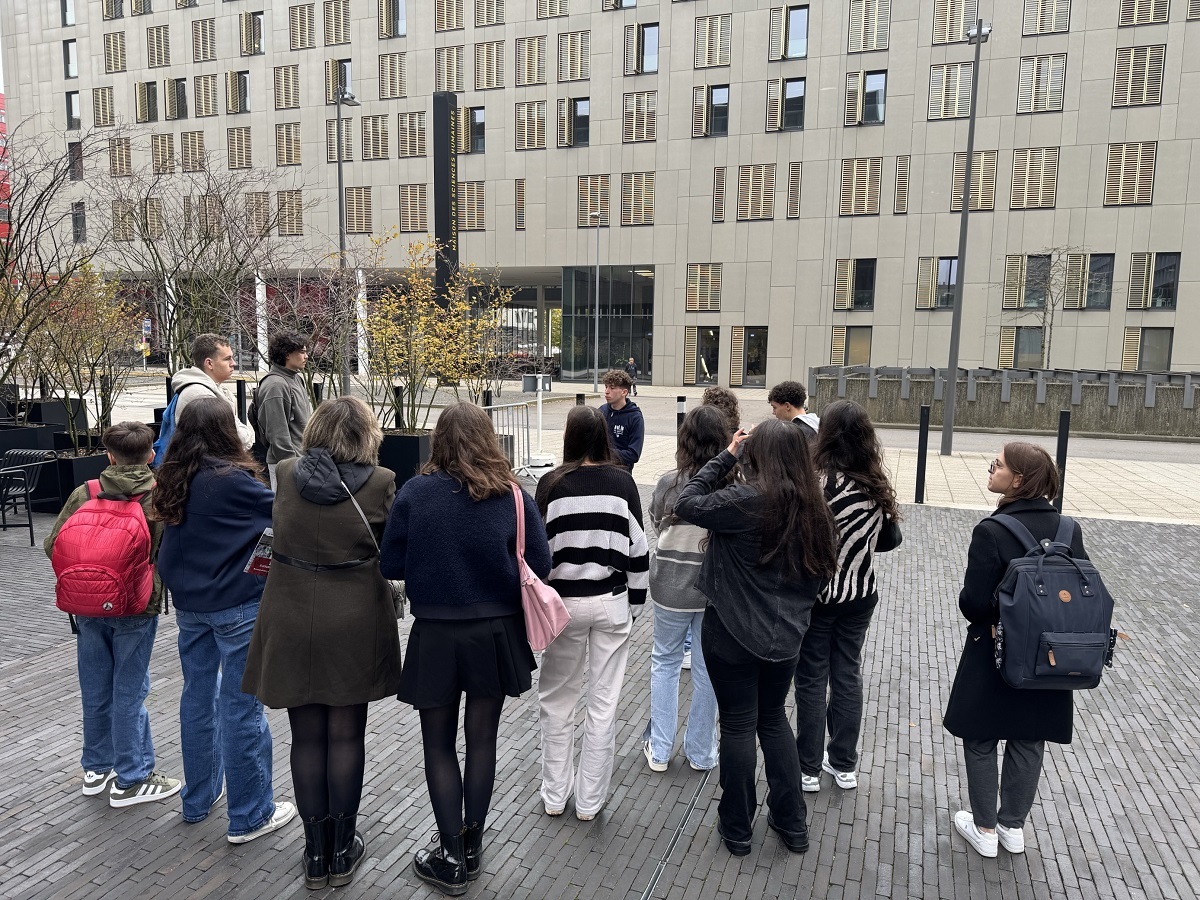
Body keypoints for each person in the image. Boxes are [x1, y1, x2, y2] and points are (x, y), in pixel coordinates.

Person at [380, 403, 552, 895]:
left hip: (435, 632)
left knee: (437, 744)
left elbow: (390, 563)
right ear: (488, 437)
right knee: (483, 741)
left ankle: (450, 856)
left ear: (439, 441)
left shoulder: (416, 493)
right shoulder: (513, 495)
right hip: (495, 632)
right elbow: (539, 561)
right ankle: (473, 844)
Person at [242, 397, 401, 890]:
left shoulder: (286, 474)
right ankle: (341, 847)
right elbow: (393, 554)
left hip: (289, 614)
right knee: (347, 735)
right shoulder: (380, 482)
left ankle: (314, 855)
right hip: (353, 619)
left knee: (306, 737)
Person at [674, 419, 837, 857]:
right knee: (773, 719)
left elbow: (687, 500)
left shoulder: (745, 500)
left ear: (755, 455)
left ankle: (737, 828)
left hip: (731, 631)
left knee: (740, 724)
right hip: (785, 637)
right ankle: (792, 823)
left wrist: (725, 455)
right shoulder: (816, 508)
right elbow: (821, 576)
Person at [153, 397, 296, 844]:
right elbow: (284, 514)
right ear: (224, 431)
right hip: (234, 604)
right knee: (241, 706)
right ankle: (250, 814)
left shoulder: (174, 475)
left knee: (198, 698)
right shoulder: (230, 479)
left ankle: (198, 799)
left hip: (190, 604)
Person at [944, 442, 1085, 858]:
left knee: (981, 735)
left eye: (998, 465)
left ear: (1018, 480)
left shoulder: (992, 530)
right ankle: (1012, 827)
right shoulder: (1068, 529)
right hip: (1050, 654)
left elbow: (973, 602)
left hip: (996, 648)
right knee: (1030, 737)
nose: (991, 470)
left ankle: (984, 827)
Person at [45, 421, 181, 807]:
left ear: (108, 455)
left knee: (95, 685)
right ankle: (132, 777)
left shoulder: (84, 492)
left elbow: (52, 544)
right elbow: (168, 553)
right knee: (130, 688)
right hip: (137, 605)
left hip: (87, 606)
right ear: (151, 454)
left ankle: (96, 768)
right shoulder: (159, 497)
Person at [535, 405, 649, 821]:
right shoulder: (623, 483)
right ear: (604, 435)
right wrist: (633, 607)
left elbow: (536, 553)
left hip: (562, 604)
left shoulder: (550, 484)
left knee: (557, 701)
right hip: (611, 600)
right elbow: (639, 551)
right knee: (603, 705)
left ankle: (554, 795)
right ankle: (589, 802)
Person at [794, 400, 900, 794]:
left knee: (810, 678)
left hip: (818, 595)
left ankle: (808, 768)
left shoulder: (815, 482)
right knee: (847, 674)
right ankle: (844, 763)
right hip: (860, 593)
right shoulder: (875, 483)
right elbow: (888, 539)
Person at [642, 406, 728, 774]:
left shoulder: (669, 483)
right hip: (712, 588)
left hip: (670, 584)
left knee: (665, 661)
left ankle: (659, 749)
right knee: (709, 669)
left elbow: (656, 521)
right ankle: (702, 751)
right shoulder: (734, 486)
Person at [171, 333, 255, 450]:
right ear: (209, 363)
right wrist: (246, 434)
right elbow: (239, 439)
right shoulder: (200, 394)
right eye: (227, 359)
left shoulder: (216, 390)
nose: (233, 363)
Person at [255, 331, 314, 491]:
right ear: (287, 354)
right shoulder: (276, 385)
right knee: (287, 513)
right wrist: (292, 466)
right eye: (302, 352)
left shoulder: (296, 378)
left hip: (302, 461)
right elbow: (277, 434)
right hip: (287, 465)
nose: (306, 356)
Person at [599, 370, 644, 473]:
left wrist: (605, 453)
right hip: (599, 472)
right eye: (606, 387)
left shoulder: (635, 417)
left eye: (612, 388)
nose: (606, 391)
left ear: (624, 392)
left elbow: (633, 454)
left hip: (621, 474)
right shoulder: (601, 411)